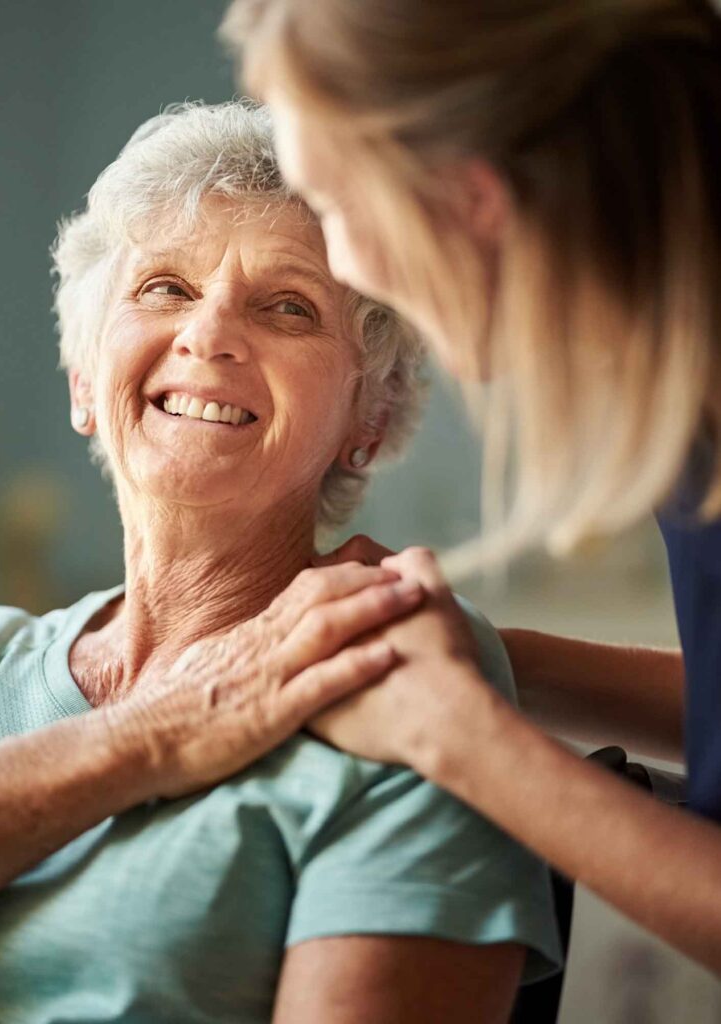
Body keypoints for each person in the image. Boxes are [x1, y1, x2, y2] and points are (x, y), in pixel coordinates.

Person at [0, 101, 560, 1022]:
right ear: (82, 380)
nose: (210, 333)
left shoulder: (400, 677)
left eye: (289, 307)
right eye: (162, 289)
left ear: (368, 422)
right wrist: (143, 738)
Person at [222, 0, 721, 974]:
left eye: (330, 204)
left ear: (468, 198)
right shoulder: (690, 401)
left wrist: (463, 741)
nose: (337, 261)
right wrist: (492, 661)